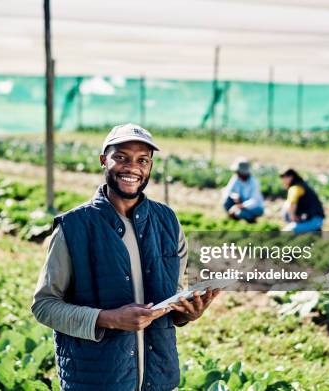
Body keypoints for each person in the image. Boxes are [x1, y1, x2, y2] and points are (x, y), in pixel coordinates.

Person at [32, 123, 220, 391]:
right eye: (121, 157)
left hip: (158, 380)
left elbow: (170, 300)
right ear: (103, 160)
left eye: (142, 160)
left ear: (150, 166)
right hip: (97, 380)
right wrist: (108, 318)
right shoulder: (74, 227)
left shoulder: (168, 222)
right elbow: (44, 306)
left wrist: (187, 314)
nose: (132, 167)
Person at [279, 168, 325, 233]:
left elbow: (291, 203)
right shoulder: (302, 185)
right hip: (314, 220)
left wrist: (292, 217)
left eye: (284, 178)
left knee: (287, 231)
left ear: (291, 177)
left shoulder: (295, 188)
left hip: (314, 221)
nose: (283, 181)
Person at [221, 158, 265, 223]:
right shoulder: (236, 178)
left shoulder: (254, 183)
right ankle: (235, 220)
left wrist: (238, 206)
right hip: (241, 204)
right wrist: (234, 195)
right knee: (226, 202)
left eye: (237, 172)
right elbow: (227, 190)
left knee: (239, 213)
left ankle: (251, 220)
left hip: (255, 208)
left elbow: (254, 201)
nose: (236, 173)